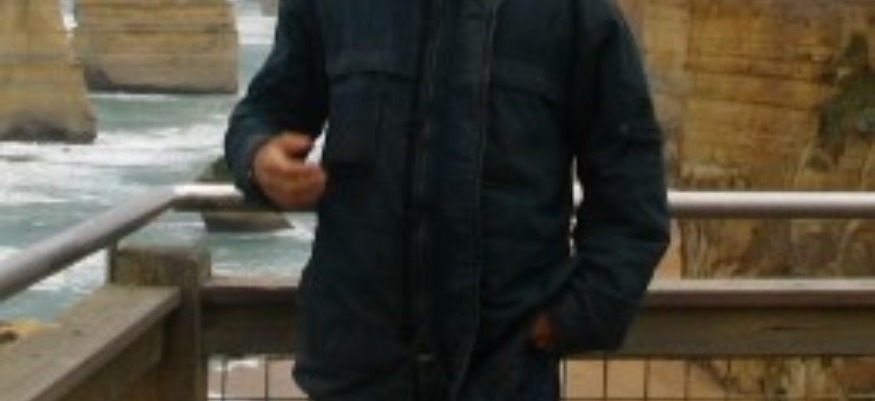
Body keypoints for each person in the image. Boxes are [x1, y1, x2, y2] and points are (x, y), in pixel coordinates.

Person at [224, 0, 670, 400]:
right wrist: (258, 158)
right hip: (357, 369)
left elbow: (632, 190)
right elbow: (264, 111)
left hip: (504, 374)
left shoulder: (576, 13)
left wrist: (574, 317)